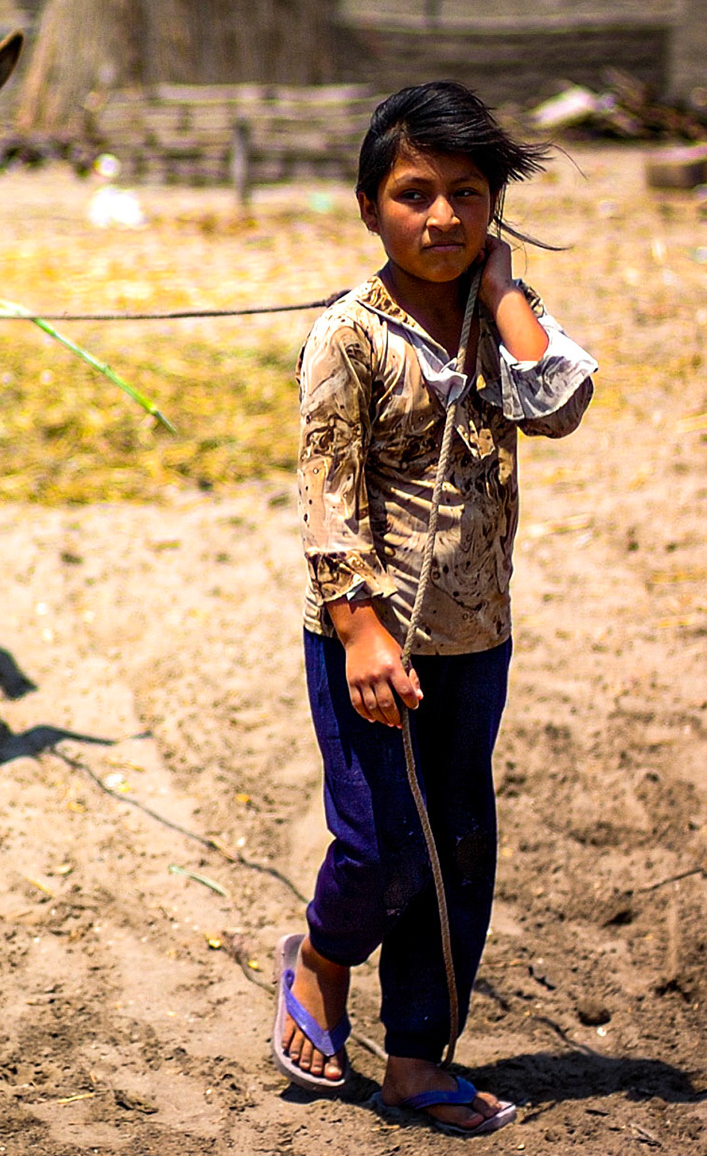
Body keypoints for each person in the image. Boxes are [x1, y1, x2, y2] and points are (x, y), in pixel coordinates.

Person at [273, 81, 597, 1137]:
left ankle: (417, 1058)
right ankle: (323, 958)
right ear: (369, 207)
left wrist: (502, 291)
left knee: (457, 850)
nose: (444, 217)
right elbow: (328, 500)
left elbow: (562, 404)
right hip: (369, 641)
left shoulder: (496, 323)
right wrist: (360, 629)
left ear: (494, 210)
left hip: (475, 639)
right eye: (416, 194)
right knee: (381, 849)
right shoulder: (348, 337)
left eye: (468, 195)